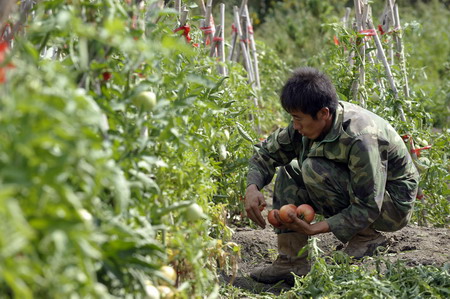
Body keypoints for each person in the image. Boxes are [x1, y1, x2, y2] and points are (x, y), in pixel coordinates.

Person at [245, 67, 419, 284]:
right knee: (290, 169)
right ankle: (290, 262)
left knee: (312, 169)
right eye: (293, 118)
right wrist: (252, 188)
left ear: (323, 113)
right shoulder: (304, 126)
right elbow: (266, 154)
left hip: (391, 205)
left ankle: (365, 238)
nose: (295, 126)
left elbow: (368, 204)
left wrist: (315, 228)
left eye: (299, 119)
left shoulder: (361, 137)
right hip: (363, 193)